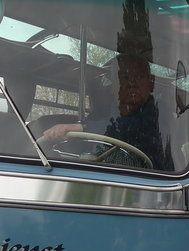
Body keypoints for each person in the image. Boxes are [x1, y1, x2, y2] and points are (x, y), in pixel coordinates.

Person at [42, 55, 171, 170]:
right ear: (113, 86)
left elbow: (129, 127)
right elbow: (77, 146)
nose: (132, 84)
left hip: (151, 181)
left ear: (150, 82)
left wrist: (81, 128)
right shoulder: (100, 113)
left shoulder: (159, 111)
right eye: (124, 78)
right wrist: (55, 145)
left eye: (139, 77)